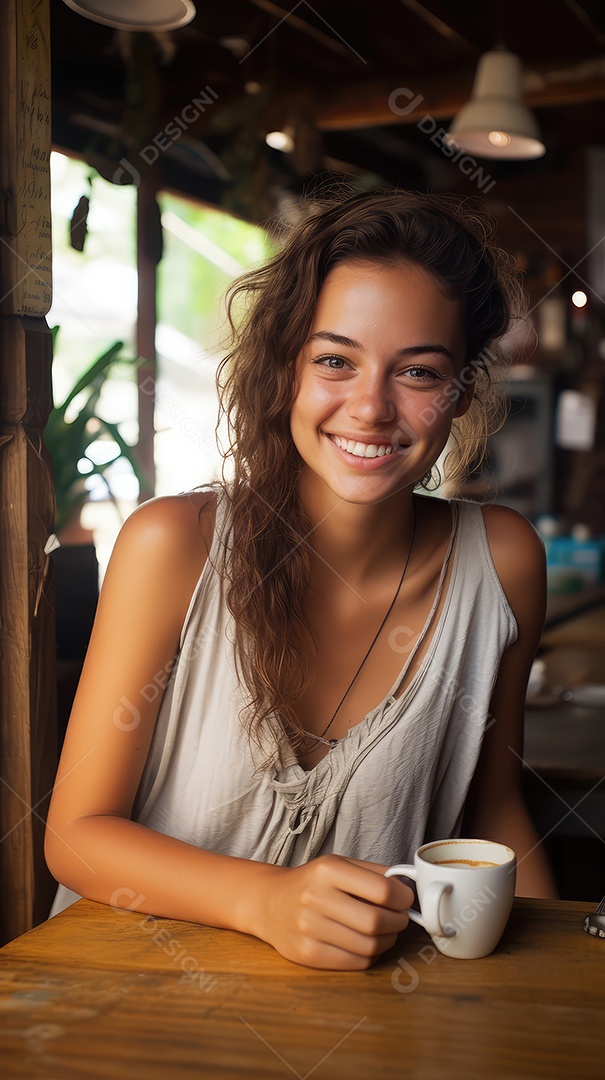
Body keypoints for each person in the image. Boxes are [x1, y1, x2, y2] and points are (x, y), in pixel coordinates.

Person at [45, 190, 557, 971]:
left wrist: (570, 980)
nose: (370, 407)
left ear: (459, 394)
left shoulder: (503, 561)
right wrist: (264, 902)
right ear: (285, 367)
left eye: (418, 372)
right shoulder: (171, 546)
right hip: (120, 998)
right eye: (335, 360)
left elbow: (492, 809)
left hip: (348, 1017)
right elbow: (77, 836)